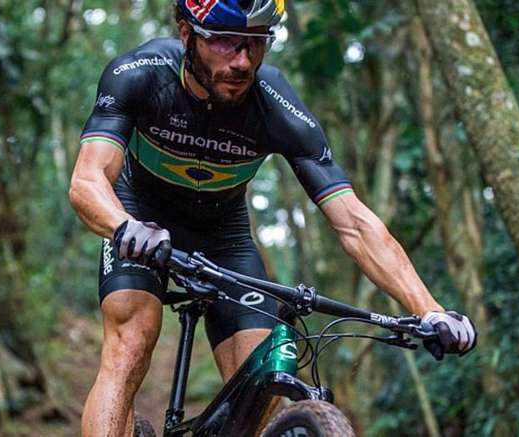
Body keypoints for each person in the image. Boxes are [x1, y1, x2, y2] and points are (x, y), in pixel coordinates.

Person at [69, 1, 477, 435]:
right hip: (140, 217)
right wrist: (124, 226)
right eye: (225, 42)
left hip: (222, 235)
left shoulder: (276, 105)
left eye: (256, 44)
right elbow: (88, 180)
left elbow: (354, 222)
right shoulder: (139, 74)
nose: (242, 61)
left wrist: (429, 310)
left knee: (263, 382)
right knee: (131, 338)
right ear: (187, 35)